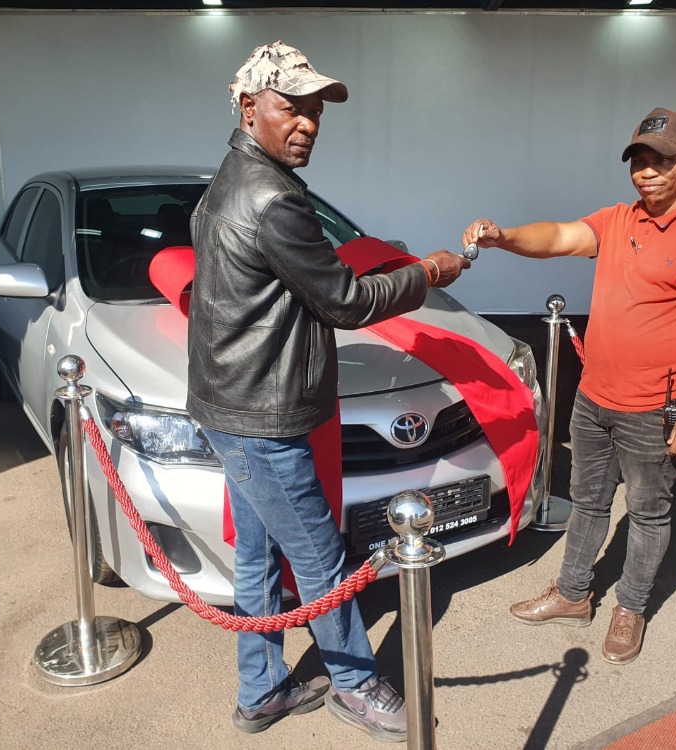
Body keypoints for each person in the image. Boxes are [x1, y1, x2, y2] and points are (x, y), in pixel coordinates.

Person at [187, 41, 469, 741]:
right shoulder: (272, 197)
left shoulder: (230, 178)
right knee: (319, 558)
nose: (308, 123)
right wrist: (427, 273)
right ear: (249, 108)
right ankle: (355, 686)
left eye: (315, 111)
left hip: (232, 407)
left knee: (258, 556)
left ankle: (261, 692)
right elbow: (344, 300)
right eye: (292, 107)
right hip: (260, 417)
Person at [462, 107, 676, 665]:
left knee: (647, 512)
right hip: (594, 397)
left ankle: (631, 607)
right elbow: (560, 236)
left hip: (657, 407)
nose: (647, 172)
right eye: (639, 161)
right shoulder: (620, 219)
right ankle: (573, 594)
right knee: (589, 501)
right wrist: (503, 237)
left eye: (662, 161)